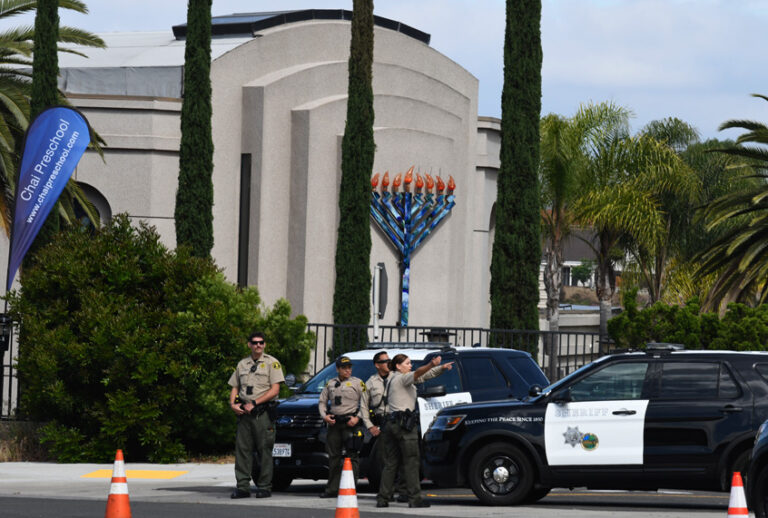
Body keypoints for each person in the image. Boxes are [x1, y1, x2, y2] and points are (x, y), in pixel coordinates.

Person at [376, 353, 453, 508]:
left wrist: (441, 368)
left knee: (391, 463)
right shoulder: (403, 378)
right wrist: (432, 364)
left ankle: (383, 498)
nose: (410, 366)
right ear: (398, 366)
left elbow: (423, 376)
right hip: (404, 425)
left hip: (392, 424)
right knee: (411, 461)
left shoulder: (393, 379)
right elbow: (419, 373)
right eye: (407, 363)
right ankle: (414, 499)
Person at [228, 332, 284, 499]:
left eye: (261, 343)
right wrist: (233, 404)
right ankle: (243, 487)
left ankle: (265, 486)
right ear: (249, 345)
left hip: (262, 413)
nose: (258, 345)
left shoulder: (271, 363)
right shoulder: (242, 364)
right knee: (242, 451)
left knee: (264, 450)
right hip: (244, 414)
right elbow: (235, 387)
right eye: (255, 343)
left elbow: (275, 389)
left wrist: (256, 403)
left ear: (264, 345)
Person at [360, 350, 407, 502]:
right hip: (383, 424)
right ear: (377, 365)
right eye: (385, 361)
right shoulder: (370, 383)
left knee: (405, 458)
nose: (388, 363)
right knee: (387, 461)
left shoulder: (398, 377)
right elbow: (363, 407)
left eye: (389, 360)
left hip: (399, 421)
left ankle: (404, 491)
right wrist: (370, 426)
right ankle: (388, 492)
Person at [318, 355, 366, 498]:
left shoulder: (358, 383)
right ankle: (332, 489)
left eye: (349, 368)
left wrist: (357, 418)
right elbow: (322, 402)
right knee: (333, 457)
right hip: (335, 424)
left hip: (351, 423)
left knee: (352, 457)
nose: (347, 370)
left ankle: (351, 488)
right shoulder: (330, 384)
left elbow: (365, 403)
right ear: (338, 369)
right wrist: (324, 416)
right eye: (344, 368)